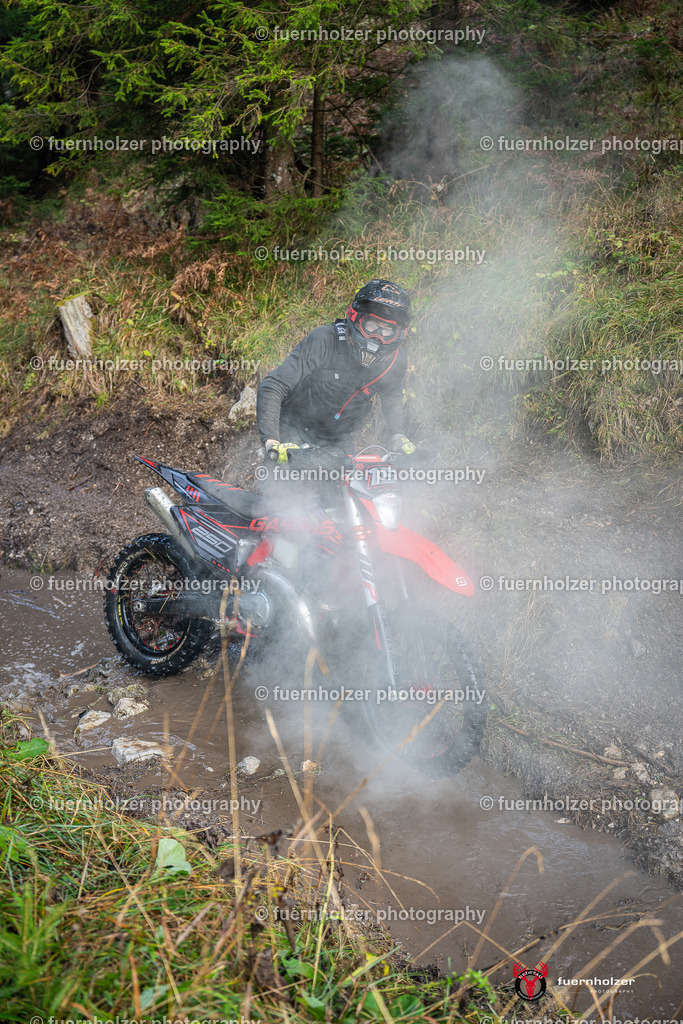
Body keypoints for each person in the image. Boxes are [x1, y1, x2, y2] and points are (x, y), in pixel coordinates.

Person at [256, 280, 417, 463]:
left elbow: (391, 396)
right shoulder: (325, 340)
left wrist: (398, 436)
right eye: (371, 326)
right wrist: (272, 442)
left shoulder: (395, 361)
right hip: (292, 426)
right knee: (279, 487)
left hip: (337, 436)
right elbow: (273, 385)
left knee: (347, 488)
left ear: (399, 334)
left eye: (387, 331)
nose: (377, 337)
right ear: (356, 319)